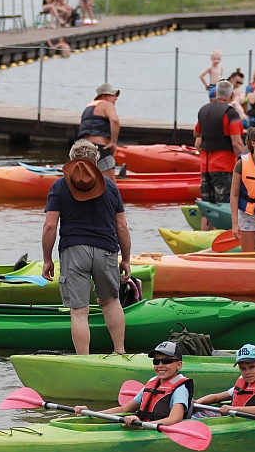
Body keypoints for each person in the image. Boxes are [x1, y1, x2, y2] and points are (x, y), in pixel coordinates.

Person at [42, 140, 132, 355]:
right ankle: (120, 352)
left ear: (72, 161)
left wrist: (47, 259)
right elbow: (122, 225)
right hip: (107, 250)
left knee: (79, 310)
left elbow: (50, 226)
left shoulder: (59, 186)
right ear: (96, 161)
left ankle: (84, 359)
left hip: (73, 251)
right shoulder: (110, 186)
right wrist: (126, 259)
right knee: (111, 302)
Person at [74, 341, 190, 426]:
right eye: (156, 361)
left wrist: (141, 426)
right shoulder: (151, 384)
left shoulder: (180, 390)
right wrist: (92, 413)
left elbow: (175, 419)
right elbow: (124, 409)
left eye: (166, 361)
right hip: (143, 427)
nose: (160, 365)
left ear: (178, 365)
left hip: (154, 430)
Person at [195, 79, 245, 219]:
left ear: (215, 93)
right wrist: (246, 162)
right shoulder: (230, 114)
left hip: (205, 165)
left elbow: (196, 133)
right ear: (232, 94)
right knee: (225, 205)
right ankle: (225, 235)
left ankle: (204, 235)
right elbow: (237, 143)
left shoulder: (204, 110)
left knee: (207, 207)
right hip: (224, 165)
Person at [195, 344, 255, 417]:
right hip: (235, 417)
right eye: (243, 368)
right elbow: (216, 397)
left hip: (248, 421)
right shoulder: (243, 383)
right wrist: (197, 402)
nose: (247, 372)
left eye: (251, 367)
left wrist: (233, 409)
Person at [77, 83, 121, 177]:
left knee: (90, 182)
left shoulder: (88, 107)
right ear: (105, 96)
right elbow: (114, 120)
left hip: (82, 149)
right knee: (110, 186)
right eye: (113, 95)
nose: (116, 98)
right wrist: (113, 142)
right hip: (99, 149)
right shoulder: (106, 105)